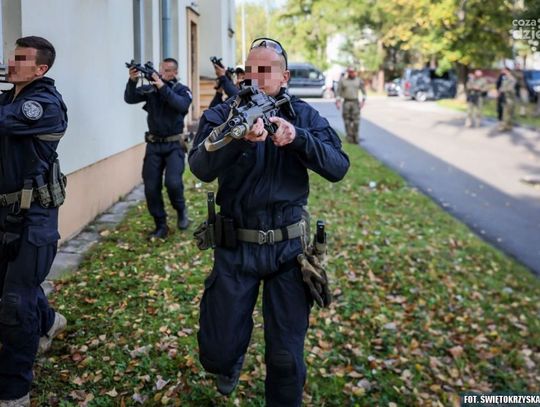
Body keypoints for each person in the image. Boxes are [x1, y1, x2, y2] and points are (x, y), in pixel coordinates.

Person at [189, 38, 350, 405]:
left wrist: (297, 138)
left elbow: (338, 166)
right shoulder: (224, 113)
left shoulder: (303, 115)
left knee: (285, 360)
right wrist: (238, 140)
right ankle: (229, 360)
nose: (255, 77)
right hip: (236, 246)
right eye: (249, 70)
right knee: (217, 352)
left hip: (288, 251)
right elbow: (199, 166)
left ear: (285, 77)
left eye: (265, 70)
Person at [0, 36, 68, 407]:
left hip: (35, 217)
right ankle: (49, 321)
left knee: (15, 302)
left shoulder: (45, 104)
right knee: (13, 288)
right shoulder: (8, 99)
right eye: (12, 56)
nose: (11, 62)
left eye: (21, 58)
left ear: (40, 69)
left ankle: (15, 390)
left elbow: (6, 123)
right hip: (5, 213)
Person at [124, 58, 193, 238]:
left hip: (174, 144)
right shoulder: (152, 89)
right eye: (162, 69)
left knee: (173, 183)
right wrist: (132, 81)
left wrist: (162, 87)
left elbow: (181, 104)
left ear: (175, 72)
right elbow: (130, 98)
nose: (163, 73)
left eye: (168, 70)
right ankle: (160, 225)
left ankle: (181, 210)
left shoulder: (182, 90)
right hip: (154, 145)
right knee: (151, 187)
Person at [336, 67, 367, 143]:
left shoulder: (358, 80)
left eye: (353, 71)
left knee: (356, 121)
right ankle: (349, 138)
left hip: (355, 103)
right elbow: (338, 91)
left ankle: (356, 137)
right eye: (350, 72)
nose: (352, 73)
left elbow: (364, 92)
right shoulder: (343, 81)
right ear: (348, 72)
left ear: (355, 72)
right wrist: (338, 102)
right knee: (347, 121)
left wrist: (363, 101)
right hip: (346, 102)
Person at [498, 67, 517, 131]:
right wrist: (500, 90)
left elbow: (510, 88)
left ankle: (505, 126)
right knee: (506, 112)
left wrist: (501, 90)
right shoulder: (505, 78)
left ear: (507, 71)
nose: (502, 72)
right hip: (505, 97)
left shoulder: (512, 79)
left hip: (510, 98)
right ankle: (508, 126)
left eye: (503, 70)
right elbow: (502, 86)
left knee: (507, 113)